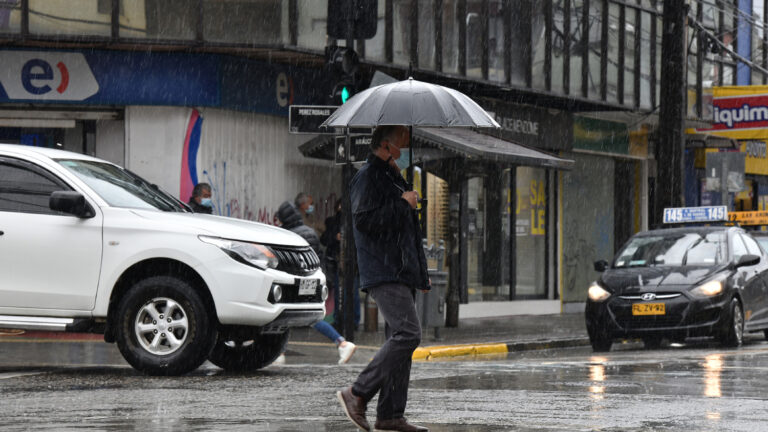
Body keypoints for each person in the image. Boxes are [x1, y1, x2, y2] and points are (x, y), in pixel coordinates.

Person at [336, 125, 430, 432]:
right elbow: (363, 220)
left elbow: (397, 216)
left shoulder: (388, 175)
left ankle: (390, 415)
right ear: (386, 146)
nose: (404, 150)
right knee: (408, 334)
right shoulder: (368, 177)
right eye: (400, 143)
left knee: (398, 341)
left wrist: (406, 196)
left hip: (400, 269)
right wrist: (403, 203)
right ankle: (357, 393)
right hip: (385, 269)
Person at [275, 199, 356, 365]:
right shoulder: (308, 231)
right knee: (305, 316)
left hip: (297, 281)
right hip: (311, 280)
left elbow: (294, 262)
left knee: (287, 316)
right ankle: (341, 343)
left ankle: (342, 343)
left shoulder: (291, 235)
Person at [321, 199, 360, 330]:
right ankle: (341, 320)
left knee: (352, 293)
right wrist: (334, 237)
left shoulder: (355, 221)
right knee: (341, 293)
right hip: (338, 263)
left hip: (351, 263)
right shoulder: (334, 222)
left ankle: (352, 321)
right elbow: (325, 239)